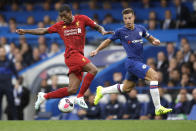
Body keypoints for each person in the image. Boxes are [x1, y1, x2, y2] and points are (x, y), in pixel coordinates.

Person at [16, 4, 112, 109]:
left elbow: (97, 27)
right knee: (93, 70)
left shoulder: (82, 19)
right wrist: (25, 31)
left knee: (72, 89)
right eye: (61, 16)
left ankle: (44, 96)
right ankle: (80, 97)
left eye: (65, 15)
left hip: (79, 56)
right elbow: (43, 31)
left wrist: (103, 31)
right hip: (71, 55)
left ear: (70, 13)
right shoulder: (60, 26)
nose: (63, 18)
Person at [90, 8, 172, 116]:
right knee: (154, 76)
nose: (128, 20)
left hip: (138, 62)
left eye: (129, 18)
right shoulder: (120, 31)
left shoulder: (141, 28)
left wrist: (154, 41)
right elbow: (108, 41)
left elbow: (150, 37)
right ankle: (158, 107)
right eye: (125, 18)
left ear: (133, 17)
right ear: (123, 20)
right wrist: (97, 50)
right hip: (131, 62)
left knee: (126, 88)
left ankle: (102, 91)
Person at [0, 46, 18, 120]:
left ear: (5, 52)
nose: (2, 52)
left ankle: (14, 119)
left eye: (3, 51)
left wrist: (17, 83)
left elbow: (16, 73)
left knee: (11, 103)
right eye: (0, 51)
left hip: (8, 86)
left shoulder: (9, 62)